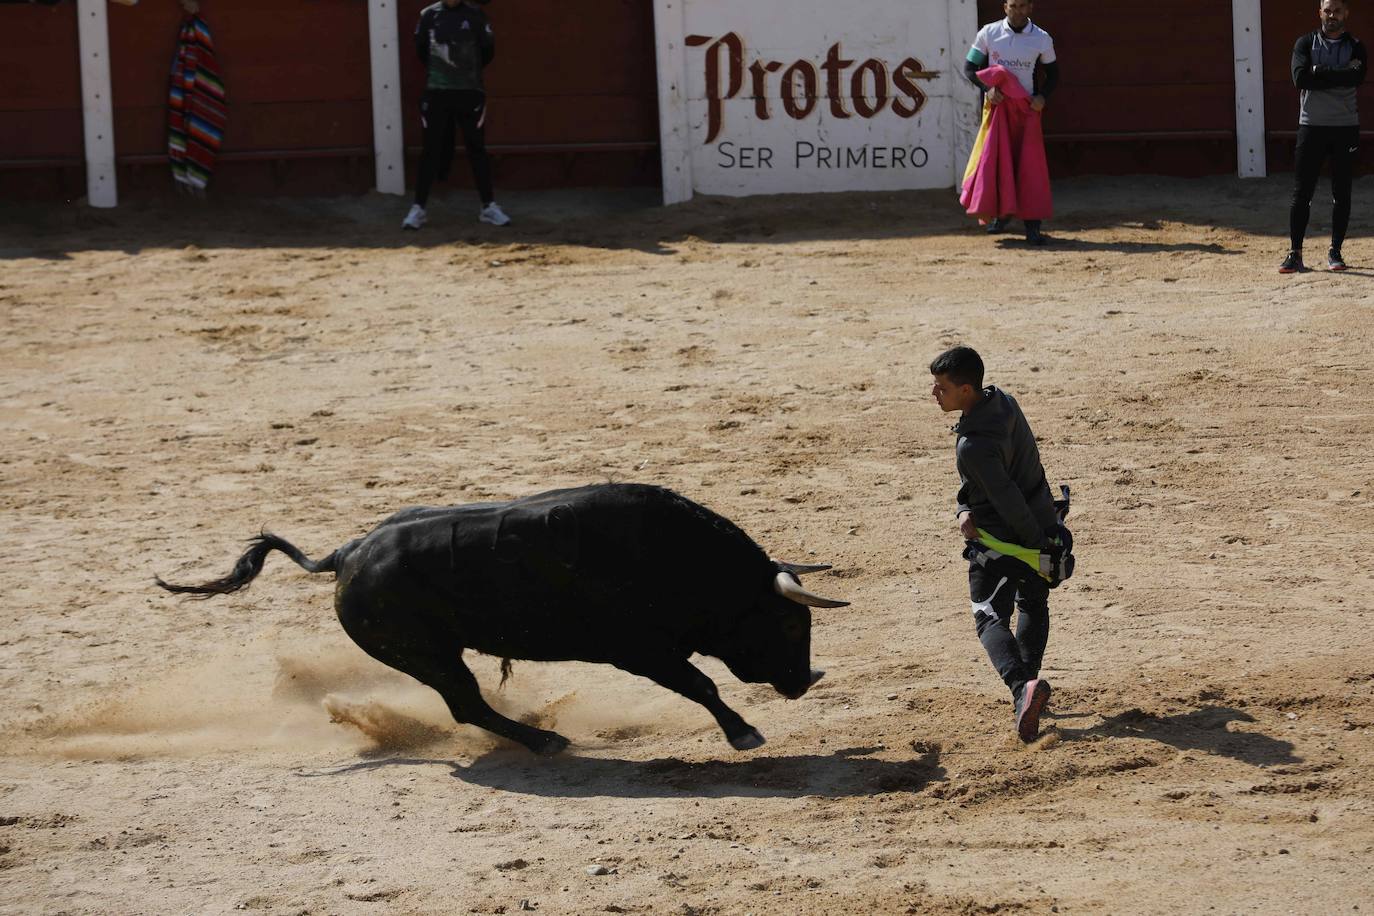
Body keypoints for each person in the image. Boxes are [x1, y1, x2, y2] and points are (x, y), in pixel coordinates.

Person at [931, 346, 1062, 742]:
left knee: (987, 617)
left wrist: (1039, 550)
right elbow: (995, 482)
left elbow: (1005, 499)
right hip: (1043, 519)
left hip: (1007, 543)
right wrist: (962, 508)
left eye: (941, 388)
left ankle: (1021, 689)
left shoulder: (974, 445)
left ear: (966, 390)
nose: (934, 394)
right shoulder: (1003, 402)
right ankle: (1029, 690)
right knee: (1034, 603)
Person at [403, 0, 511, 231]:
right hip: (437, 92)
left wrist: (464, 74)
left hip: (469, 92)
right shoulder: (429, 15)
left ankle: (488, 206)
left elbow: (487, 52)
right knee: (431, 149)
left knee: (476, 148)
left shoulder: (475, 14)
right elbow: (421, 51)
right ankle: (419, 208)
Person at [964, 0, 1059, 246]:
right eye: (1013, 5)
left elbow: (1054, 74)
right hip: (998, 108)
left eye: (1023, 6)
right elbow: (969, 68)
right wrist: (987, 89)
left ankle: (1032, 225)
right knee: (996, 162)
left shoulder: (1041, 38)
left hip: (1027, 109)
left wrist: (1042, 97)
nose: (1018, 11)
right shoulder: (989, 32)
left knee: (1029, 166)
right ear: (1005, 6)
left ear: (1031, 7)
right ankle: (1000, 215)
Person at [1282, 0, 1366, 273]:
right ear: (1320, 12)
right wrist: (1339, 74)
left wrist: (1319, 72)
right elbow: (1300, 79)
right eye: (1327, 10)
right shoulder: (1305, 43)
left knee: (1341, 192)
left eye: (1337, 10)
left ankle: (1335, 252)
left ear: (1346, 13)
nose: (1332, 15)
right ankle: (1295, 253)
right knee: (1301, 192)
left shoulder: (1356, 46)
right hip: (1311, 126)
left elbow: (1357, 78)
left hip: (1344, 126)